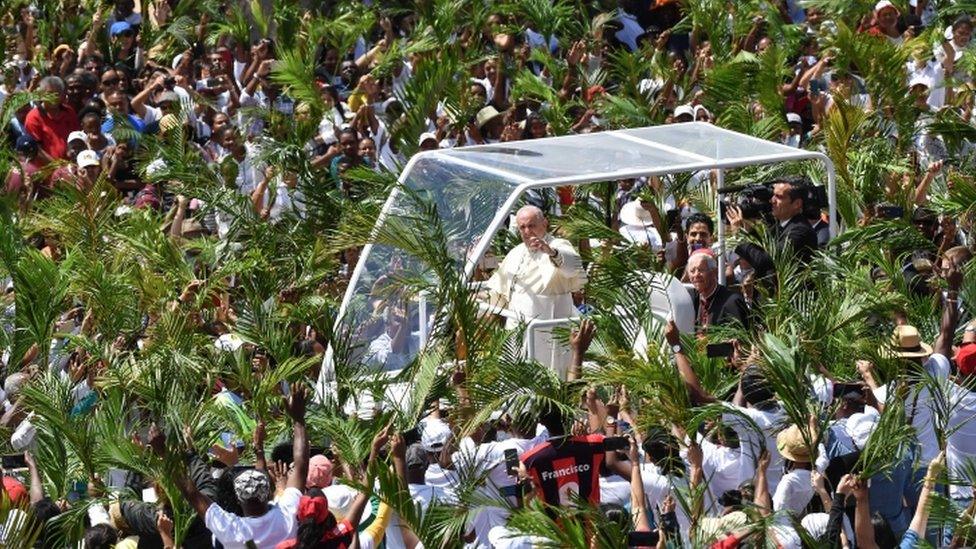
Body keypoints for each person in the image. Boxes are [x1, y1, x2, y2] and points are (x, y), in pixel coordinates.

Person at [148, 385, 310, 549]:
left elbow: (192, 494)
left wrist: (164, 453)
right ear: (268, 492)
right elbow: (301, 464)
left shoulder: (233, 531)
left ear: (238, 500)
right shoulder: (287, 514)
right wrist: (298, 420)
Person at [486, 205, 587, 378]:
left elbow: (573, 268)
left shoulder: (558, 245)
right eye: (522, 227)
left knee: (550, 373)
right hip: (518, 323)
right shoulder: (516, 252)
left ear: (544, 224)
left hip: (549, 322)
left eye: (531, 225)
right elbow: (499, 289)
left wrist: (550, 252)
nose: (527, 231)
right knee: (519, 371)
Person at [728, 176, 818, 282]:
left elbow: (765, 260)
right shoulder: (778, 225)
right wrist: (748, 228)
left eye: (779, 197)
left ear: (797, 204)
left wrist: (739, 234)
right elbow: (757, 247)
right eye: (773, 195)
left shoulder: (800, 231)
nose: (772, 200)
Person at [686, 250, 749, 331]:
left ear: (714, 272)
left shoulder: (732, 302)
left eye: (701, 270)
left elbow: (740, 339)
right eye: (692, 271)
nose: (696, 275)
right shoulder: (691, 299)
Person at [24, 75, 80, 161]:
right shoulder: (33, 117)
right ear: (42, 94)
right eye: (49, 94)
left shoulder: (69, 112)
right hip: (47, 170)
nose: (53, 98)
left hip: (71, 167)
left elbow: (77, 138)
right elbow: (36, 149)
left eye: (57, 94)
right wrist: (57, 167)